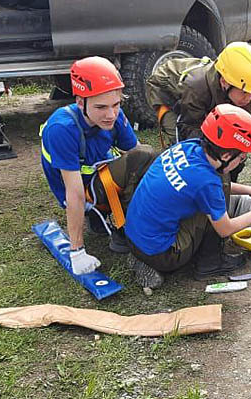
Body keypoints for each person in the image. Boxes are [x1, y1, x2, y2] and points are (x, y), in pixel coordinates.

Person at [124, 104, 251, 292]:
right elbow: (226, 228)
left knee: (215, 191)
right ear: (227, 154)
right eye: (241, 158)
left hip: (133, 237)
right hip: (161, 254)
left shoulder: (189, 147)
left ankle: (141, 258)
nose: (240, 162)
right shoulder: (208, 181)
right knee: (216, 200)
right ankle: (210, 262)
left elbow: (208, 189)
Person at [40, 56, 156, 275]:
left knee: (147, 159)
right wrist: (77, 251)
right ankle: (119, 225)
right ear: (80, 102)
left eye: (116, 104)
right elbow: (73, 193)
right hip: (81, 192)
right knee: (144, 157)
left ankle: (120, 219)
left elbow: (139, 157)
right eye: (101, 107)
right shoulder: (62, 129)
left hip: (99, 179)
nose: (111, 114)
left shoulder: (115, 117)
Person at [145, 41, 251, 143]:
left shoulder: (246, 85)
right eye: (245, 93)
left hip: (202, 92)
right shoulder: (196, 89)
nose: (249, 98)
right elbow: (189, 127)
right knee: (182, 141)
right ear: (225, 82)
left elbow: (242, 129)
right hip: (165, 89)